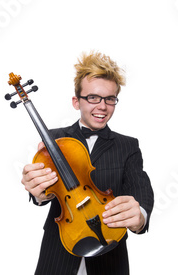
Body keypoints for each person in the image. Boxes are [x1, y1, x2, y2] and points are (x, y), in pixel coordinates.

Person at [21, 51, 154, 274]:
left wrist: (139, 215)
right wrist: (37, 192)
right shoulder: (54, 140)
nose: (102, 106)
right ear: (76, 101)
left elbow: (141, 191)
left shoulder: (128, 145)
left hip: (110, 250)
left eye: (109, 99)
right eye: (93, 97)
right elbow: (44, 195)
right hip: (59, 248)